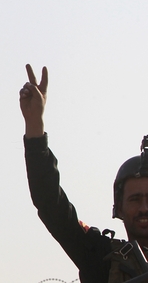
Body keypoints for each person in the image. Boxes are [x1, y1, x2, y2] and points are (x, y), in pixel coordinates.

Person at [20, 64, 148, 283]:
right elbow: (51, 204)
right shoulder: (102, 257)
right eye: (135, 199)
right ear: (119, 207)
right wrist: (34, 125)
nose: (144, 207)